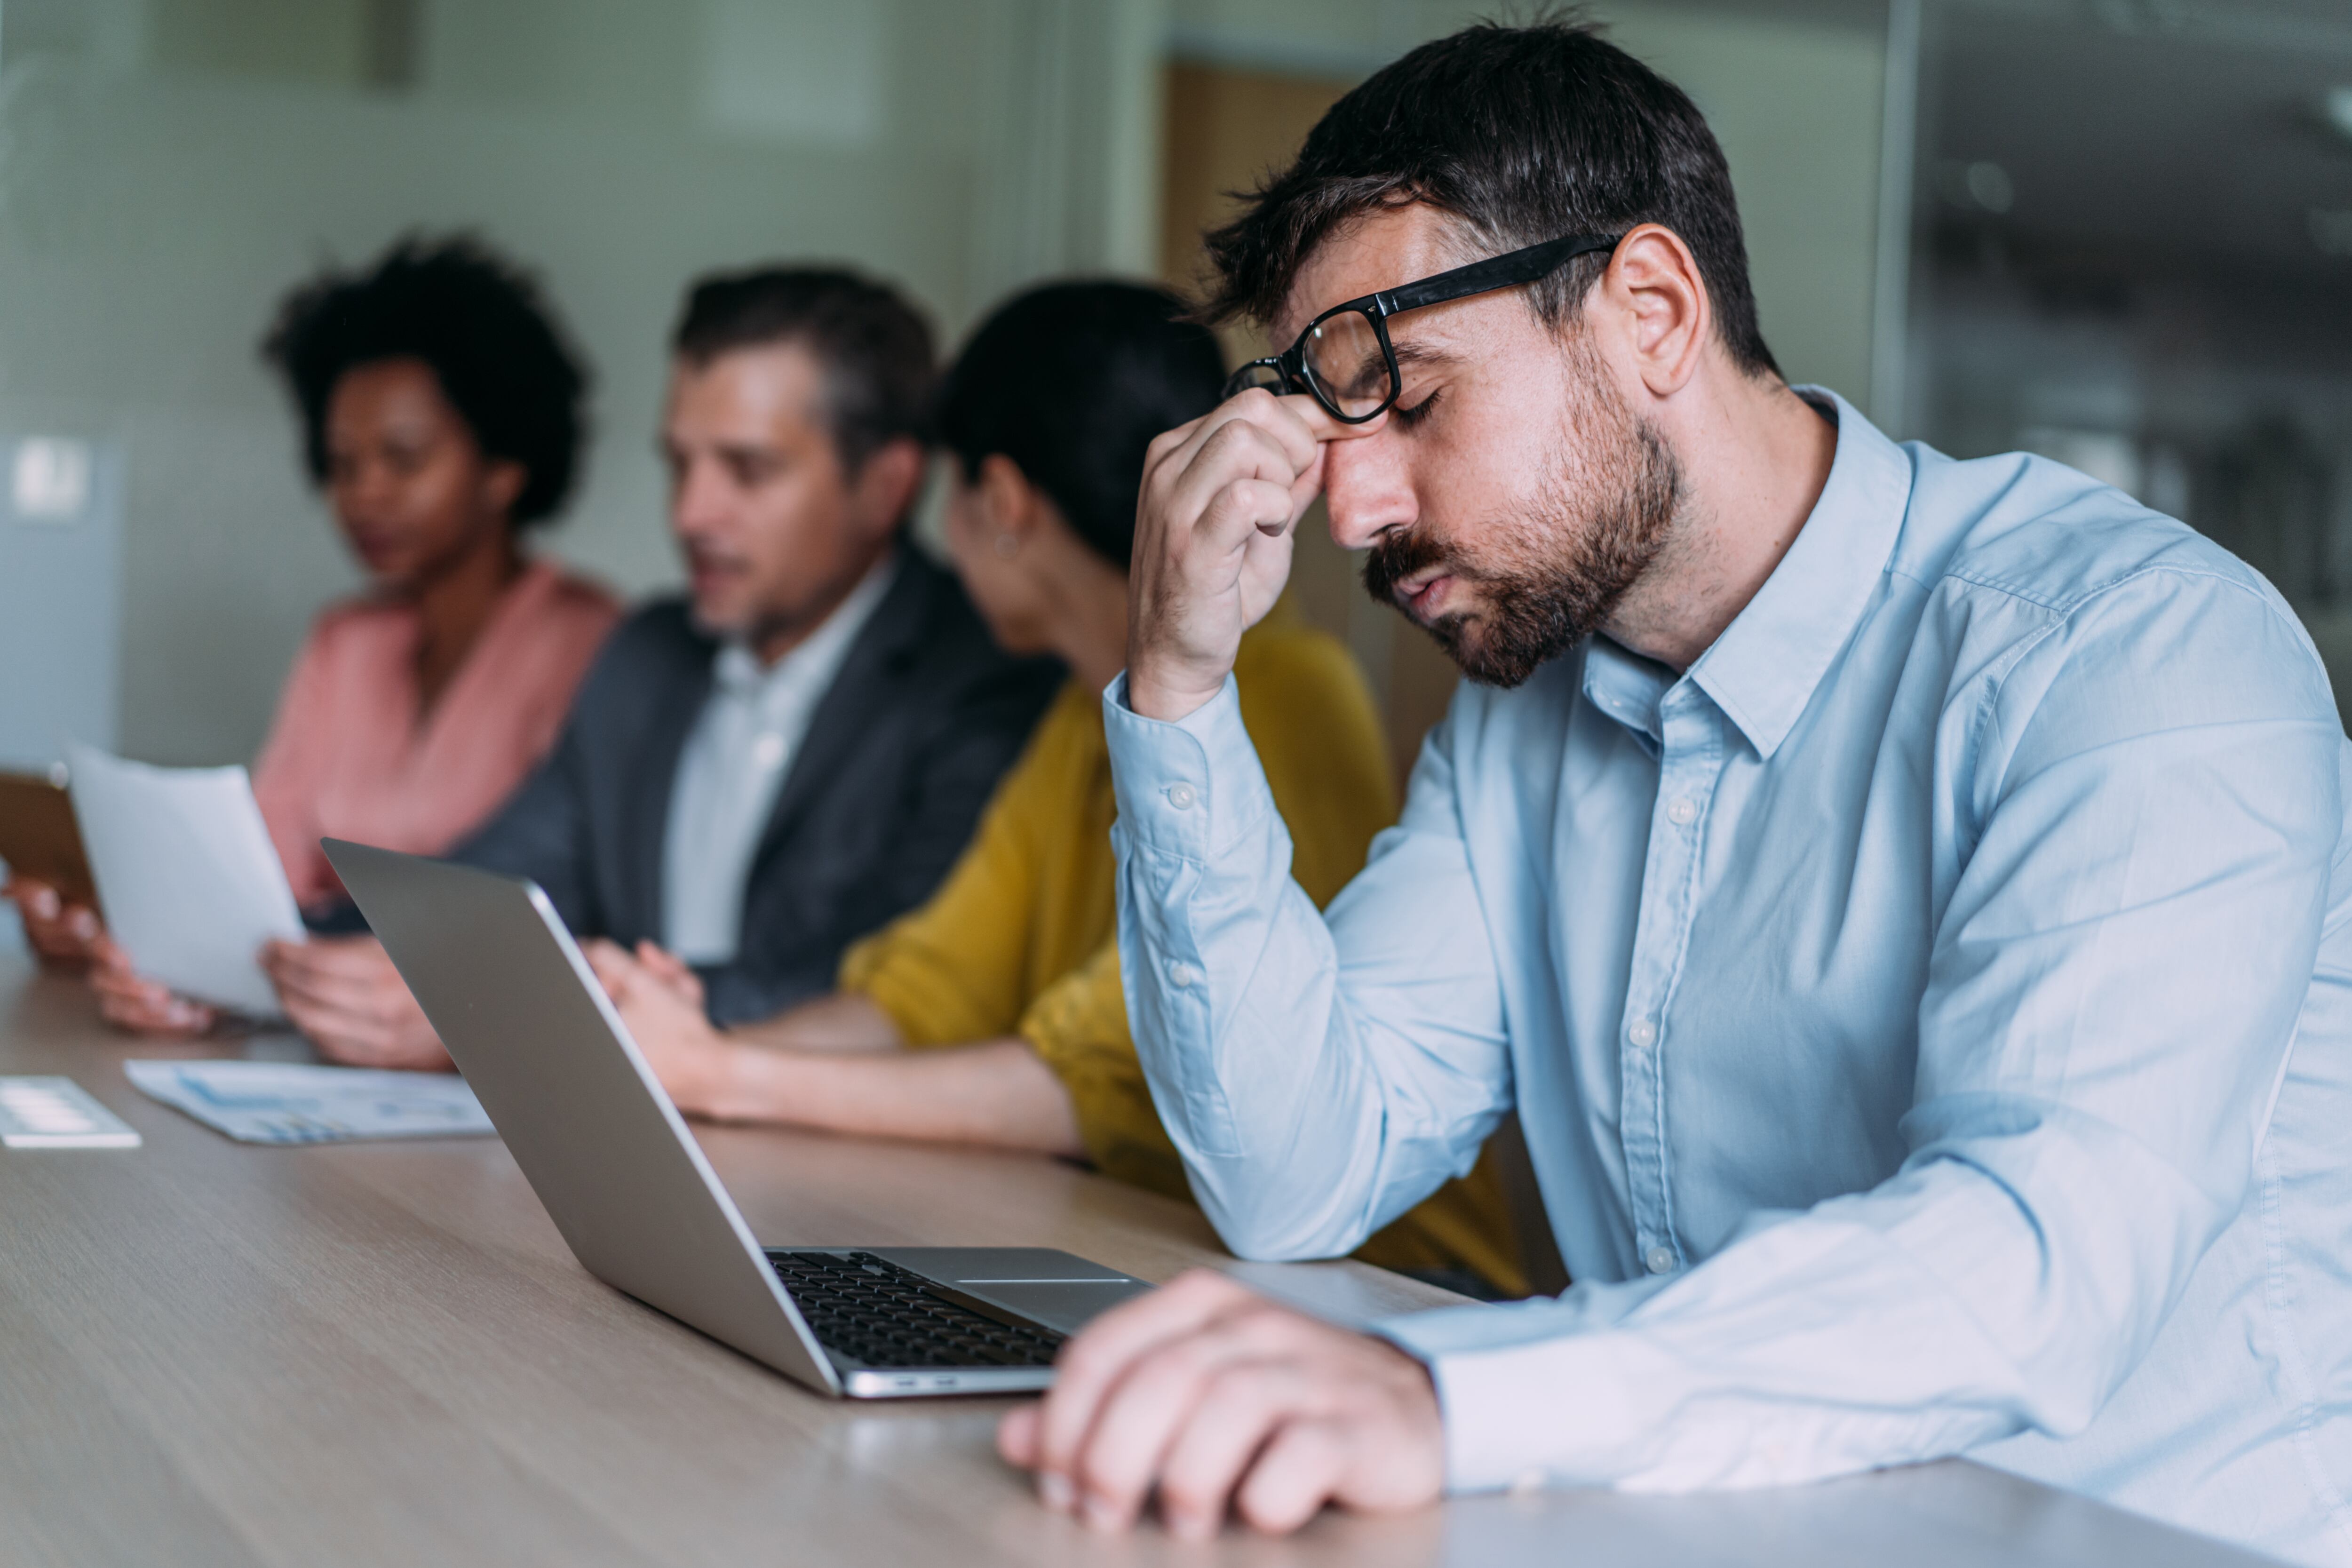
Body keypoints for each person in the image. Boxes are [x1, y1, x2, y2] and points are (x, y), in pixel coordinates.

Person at [995, 21, 2352, 1563]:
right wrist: (1174, 683)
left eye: (1415, 400)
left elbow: (2033, 1263)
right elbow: (1297, 1167)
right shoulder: (1521, 725)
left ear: (1652, 311)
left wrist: (1440, 1398)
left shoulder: (2135, 655)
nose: (1354, 511)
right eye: (1329, 439)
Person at [588, 280, 1525, 1298]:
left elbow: (1084, 1086)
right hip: (1176, 1259)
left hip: (1395, 1287)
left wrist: (727, 1077)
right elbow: (924, 993)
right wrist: (675, 1053)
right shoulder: (1080, 715)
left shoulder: (1290, 690)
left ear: (1004, 503)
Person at [257, 265, 1065, 1070]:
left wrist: (526, 1007)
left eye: (747, 471)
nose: (690, 515)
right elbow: (490, 888)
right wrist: (257, 950)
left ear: (887, 486)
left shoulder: (988, 676)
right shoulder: (647, 653)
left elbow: (890, 987)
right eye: (680, 464)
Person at [1, 237, 620, 1034]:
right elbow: (258, 881)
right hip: (319, 1036)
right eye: (342, 464)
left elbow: (563, 910)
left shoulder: (593, 645)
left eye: (403, 459)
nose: (364, 494)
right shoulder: (346, 643)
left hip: (490, 1059)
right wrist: (99, 925)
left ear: (504, 465)